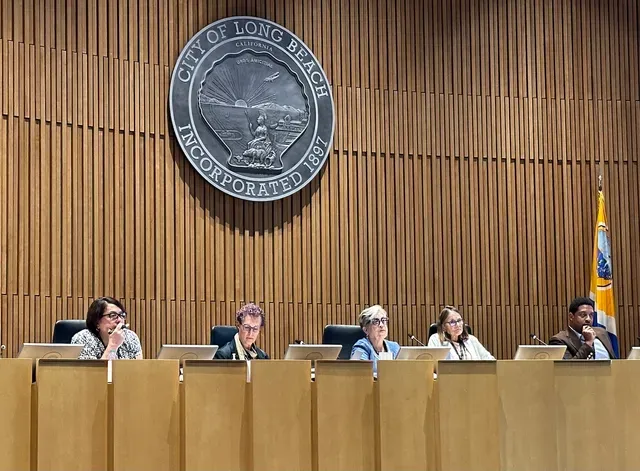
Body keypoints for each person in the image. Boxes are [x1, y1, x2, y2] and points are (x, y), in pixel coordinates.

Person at [71, 296, 143, 360]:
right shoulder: (82, 338)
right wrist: (113, 345)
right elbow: (92, 374)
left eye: (122, 315)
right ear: (97, 322)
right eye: (113, 315)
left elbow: (138, 370)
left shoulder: (131, 337)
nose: (119, 320)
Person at [549, 297, 615, 359]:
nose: (588, 319)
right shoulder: (559, 340)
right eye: (583, 315)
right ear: (571, 316)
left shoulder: (601, 332)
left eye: (591, 315)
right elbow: (568, 368)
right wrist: (588, 343)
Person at [428, 305, 494, 360]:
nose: (458, 325)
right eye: (452, 322)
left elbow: (490, 360)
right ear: (443, 327)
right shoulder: (436, 340)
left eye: (459, 320)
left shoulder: (472, 340)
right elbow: (430, 366)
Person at [350, 305, 401, 372]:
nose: (381, 325)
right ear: (366, 330)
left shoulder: (394, 347)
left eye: (383, 320)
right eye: (375, 322)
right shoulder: (360, 347)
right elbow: (358, 372)